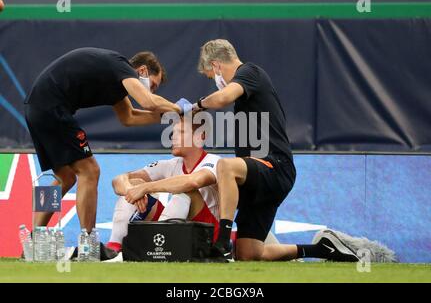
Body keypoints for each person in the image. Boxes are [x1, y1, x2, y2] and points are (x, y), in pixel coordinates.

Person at [192, 39, 358, 262]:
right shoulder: (246, 90)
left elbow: (221, 98)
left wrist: (196, 106)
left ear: (216, 65)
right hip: (259, 179)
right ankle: (321, 250)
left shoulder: (250, 72)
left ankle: (221, 243)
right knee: (248, 253)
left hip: (275, 165)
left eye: (211, 77)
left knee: (225, 167)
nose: (216, 82)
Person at [24, 47, 191, 233]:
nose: (151, 90)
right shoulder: (122, 67)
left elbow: (129, 117)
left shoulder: (116, 81)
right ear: (142, 71)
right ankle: (88, 243)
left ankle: (34, 236)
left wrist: (170, 116)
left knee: (65, 177)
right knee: (90, 171)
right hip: (52, 107)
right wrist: (179, 109)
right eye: (152, 85)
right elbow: (148, 102)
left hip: (35, 108)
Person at [108, 118, 221, 252]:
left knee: (186, 191)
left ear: (200, 136)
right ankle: (114, 249)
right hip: (179, 230)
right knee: (134, 184)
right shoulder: (170, 164)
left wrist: (145, 188)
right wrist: (132, 190)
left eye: (181, 132)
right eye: (173, 133)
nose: (173, 137)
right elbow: (118, 180)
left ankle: (160, 248)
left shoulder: (215, 161)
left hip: (207, 236)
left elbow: (192, 181)